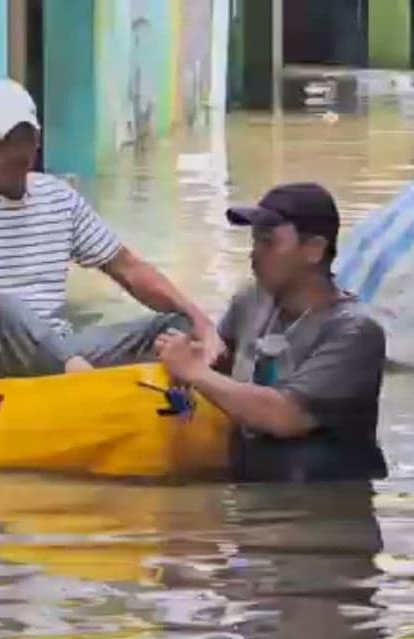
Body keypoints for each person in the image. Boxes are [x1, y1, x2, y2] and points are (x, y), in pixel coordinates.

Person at [0, 78, 223, 379]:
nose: (17, 154)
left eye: (24, 140)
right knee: (5, 310)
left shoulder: (59, 198)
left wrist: (199, 319)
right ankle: (85, 384)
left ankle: (83, 376)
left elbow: (129, 269)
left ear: (37, 139)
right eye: (2, 142)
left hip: (60, 350)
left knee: (175, 325)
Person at [155, 182, 388, 482]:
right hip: (253, 491)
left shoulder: (354, 331)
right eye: (254, 242)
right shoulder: (249, 302)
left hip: (325, 509)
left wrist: (195, 371)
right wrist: (197, 357)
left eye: (268, 242)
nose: (254, 255)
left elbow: (285, 416)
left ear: (314, 249)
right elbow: (220, 368)